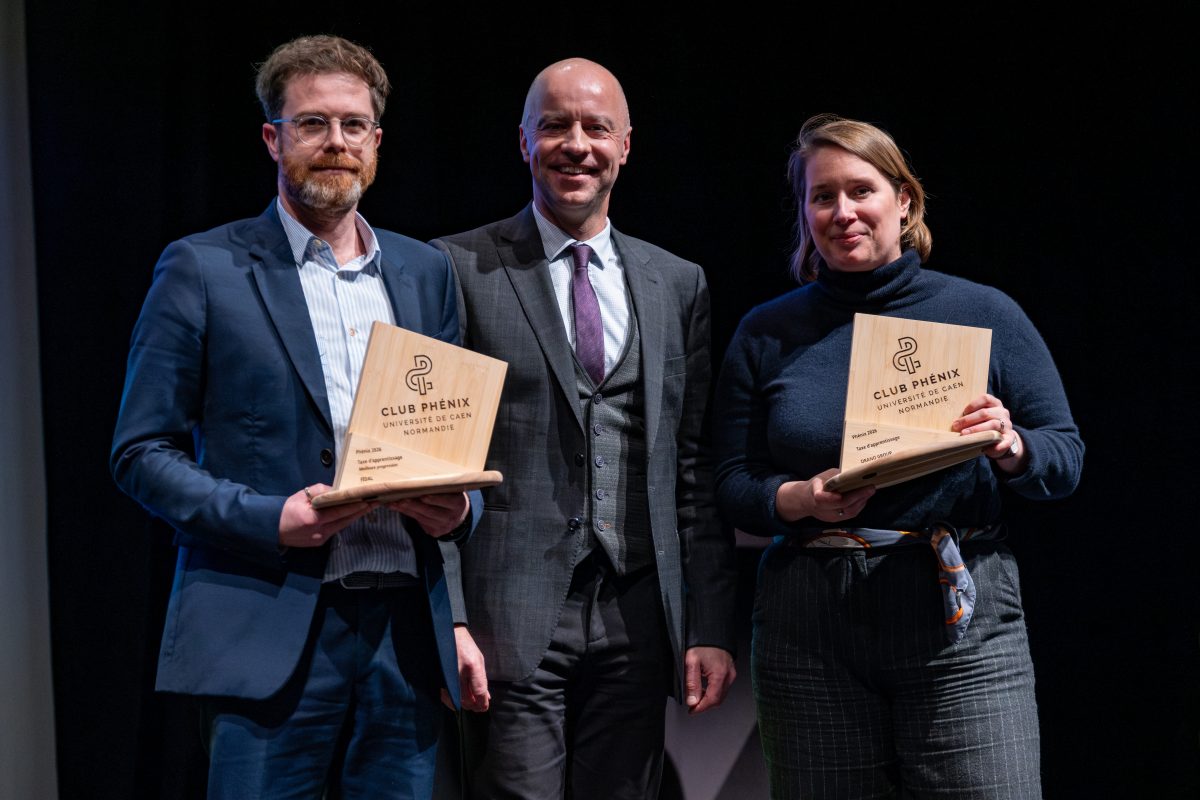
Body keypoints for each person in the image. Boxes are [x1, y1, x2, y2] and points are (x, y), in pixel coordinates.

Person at [110, 34, 479, 798]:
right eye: (312, 123)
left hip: (405, 637)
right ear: (273, 139)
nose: (335, 141)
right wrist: (269, 519)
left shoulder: (425, 271)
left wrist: (459, 513)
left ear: (376, 142)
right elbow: (141, 451)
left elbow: (446, 443)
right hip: (266, 628)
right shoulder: (202, 267)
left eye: (353, 124)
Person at [713, 114, 1084, 799]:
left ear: (904, 201)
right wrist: (796, 499)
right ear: (804, 213)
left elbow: (1064, 457)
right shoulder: (767, 331)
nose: (843, 212)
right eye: (823, 196)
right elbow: (731, 481)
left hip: (958, 617)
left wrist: (1011, 444)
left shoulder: (984, 312)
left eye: (862, 191)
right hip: (809, 627)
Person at [431, 58, 737, 799]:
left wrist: (707, 624)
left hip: (638, 616)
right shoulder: (457, 268)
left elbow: (692, 467)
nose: (576, 145)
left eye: (596, 128)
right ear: (524, 141)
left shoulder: (678, 282)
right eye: (555, 126)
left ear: (625, 145)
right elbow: (433, 464)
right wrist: (450, 620)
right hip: (508, 613)